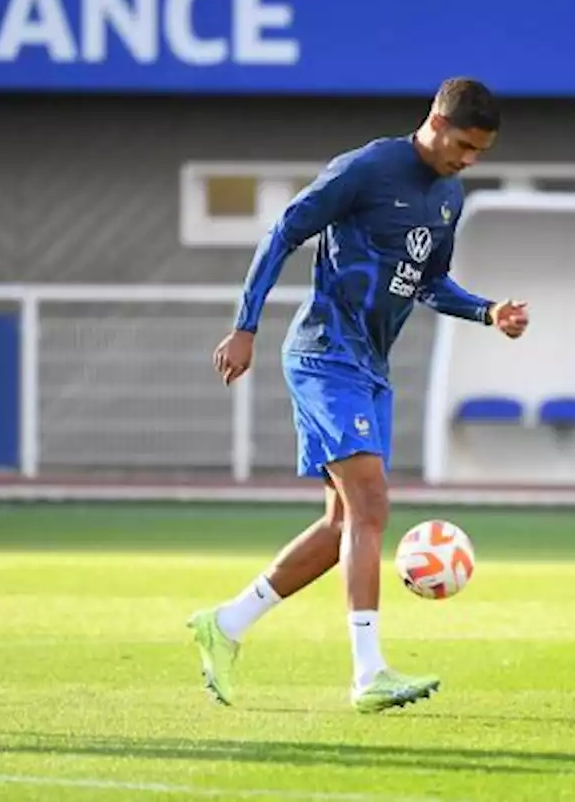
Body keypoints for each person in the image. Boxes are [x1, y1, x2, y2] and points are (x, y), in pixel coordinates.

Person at [188, 77, 530, 714]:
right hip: (324, 355)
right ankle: (368, 673)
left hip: (370, 368)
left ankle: (226, 623)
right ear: (435, 119)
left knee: (343, 522)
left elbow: (428, 283)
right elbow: (284, 231)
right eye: (462, 145)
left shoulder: (449, 197)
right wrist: (244, 326)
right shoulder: (368, 168)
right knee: (372, 507)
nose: (467, 160)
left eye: (479, 152)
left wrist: (487, 312)